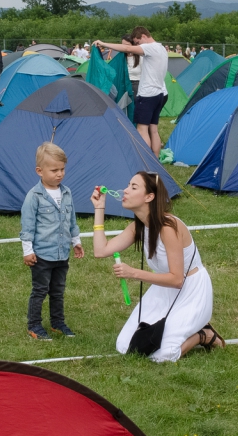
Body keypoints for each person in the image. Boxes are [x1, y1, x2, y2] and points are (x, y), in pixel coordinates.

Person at [91, 171, 223, 362]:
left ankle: (204, 335)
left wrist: (134, 273)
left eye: (133, 187)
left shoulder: (168, 227)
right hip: (162, 289)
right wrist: (99, 208)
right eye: (128, 185)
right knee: (125, 346)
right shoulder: (138, 226)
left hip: (190, 290)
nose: (125, 190)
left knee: (163, 355)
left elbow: (177, 280)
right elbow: (100, 251)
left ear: (149, 197)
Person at [20, 143, 84, 340]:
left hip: (62, 254)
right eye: (54, 170)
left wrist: (76, 241)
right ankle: (34, 325)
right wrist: (27, 251)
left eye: (62, 169)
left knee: (58, 291)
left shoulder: (67, 193)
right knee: (40, 291)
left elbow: (71, 220)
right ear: (39, 171)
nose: (60, 174)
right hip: (42, 256)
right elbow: (27, 226)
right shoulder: (34, 196)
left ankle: (57, 323)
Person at [93, 26, 168, 159]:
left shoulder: (150, 47)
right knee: (153, 130)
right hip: (160, 94)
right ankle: (156, 160)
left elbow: (127, 49)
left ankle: (146, 161)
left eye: (138, 42)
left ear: (143, 36)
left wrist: (103, 43)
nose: (138, 46)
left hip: (147, 95)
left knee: (142, 129)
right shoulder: (161, 48)